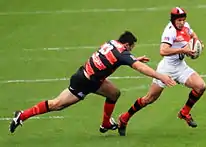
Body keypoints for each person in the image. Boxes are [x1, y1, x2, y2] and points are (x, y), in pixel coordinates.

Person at [9, 31, 176, 134]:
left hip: (88, 76)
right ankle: (22, 115)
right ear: (127, 44)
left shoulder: (112, 43)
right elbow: (140, 68)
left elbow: (111, 59)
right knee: (57, 104)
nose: (130, 50)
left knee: (114, 93)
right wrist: (161, 76)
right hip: (85, 82)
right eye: (131, 48)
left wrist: (132, 58)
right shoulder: (122, 53)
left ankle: (105, 124)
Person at [118, 7, 206, 136]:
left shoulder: (185, 26)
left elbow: (193, 35)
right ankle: (124, 118)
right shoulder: (169, 32)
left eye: (183, 20)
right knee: (149, 99)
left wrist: (197, 43)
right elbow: (163, 51)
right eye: (179, 20)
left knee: (201, 86)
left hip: (180, 66)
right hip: (166, 69)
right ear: (173, 20)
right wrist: (183, 50)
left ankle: (184, 113)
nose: (181, 22)